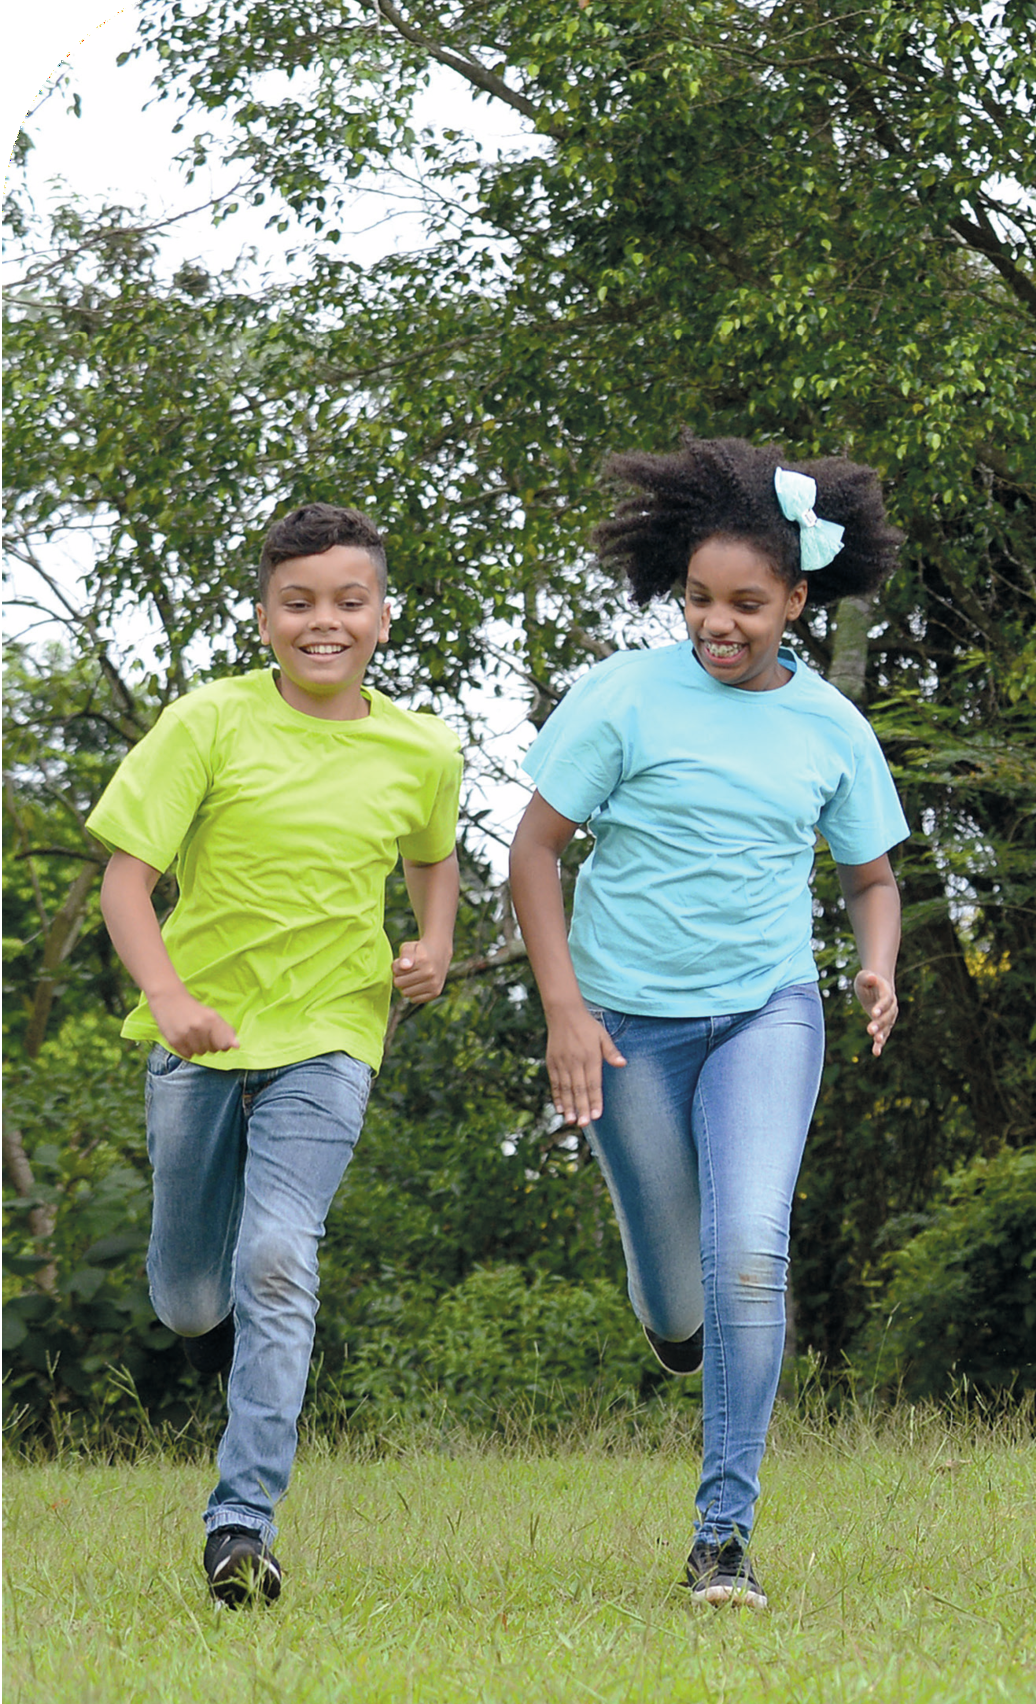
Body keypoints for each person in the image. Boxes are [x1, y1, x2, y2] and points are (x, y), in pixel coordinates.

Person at [509, 435, 907, 1609]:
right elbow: (533, 852)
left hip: (766, 1012)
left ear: (796, 600)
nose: (715, 624)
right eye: (696, 599)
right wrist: (565, 1011)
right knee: (677, 1292)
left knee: (748, 1256)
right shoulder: (622, 696)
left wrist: (876, 966)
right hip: (626, 1021)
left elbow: (870, 877)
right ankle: (672, 1319)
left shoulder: (831, 725)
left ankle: (721, 1535)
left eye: (744, 604)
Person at [89, 502, 462, 1607]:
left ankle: (240, 1525)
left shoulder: (420, 747)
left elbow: (434, 860)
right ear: (264, 618)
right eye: (298, 603)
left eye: (349, 601)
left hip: (334, 1035)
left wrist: (432, 944)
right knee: (194, 1300)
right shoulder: (207, 723)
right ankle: (215, 1337)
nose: (323, 622)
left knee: (280, 1260)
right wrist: (169, 998)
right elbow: (125, 884)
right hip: (198, 1039)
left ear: (382, 617)